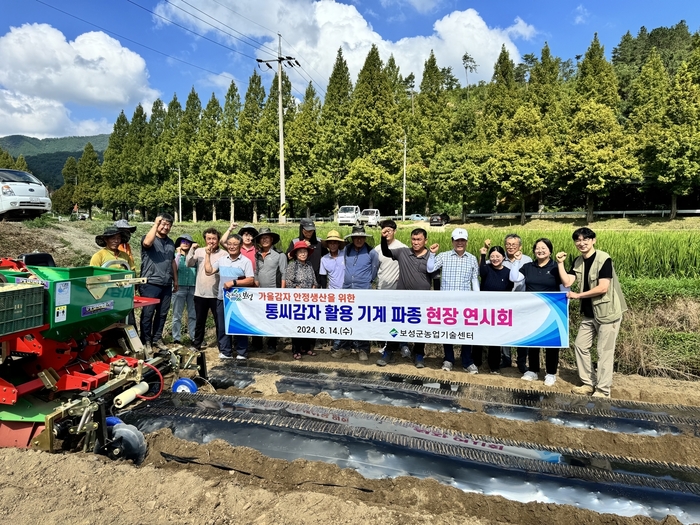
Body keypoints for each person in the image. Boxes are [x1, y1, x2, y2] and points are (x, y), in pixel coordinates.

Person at [556, 228, 627, 399]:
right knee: (580, 346)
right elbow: (567, 281)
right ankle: (588, 383)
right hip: (589, 314)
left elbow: (603, 287)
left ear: (593, 240)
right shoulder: (578, 261)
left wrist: (578, 295)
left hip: (607, 313)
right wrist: (560, 263)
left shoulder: (604, 259)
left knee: (604, 351)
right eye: (578, 240)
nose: (581, 243)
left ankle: (603, 390)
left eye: (585, 239)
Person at [509, 238, 563, 386]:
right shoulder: (528, 266)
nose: (540, 250)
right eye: (537, 248)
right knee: (534, 340)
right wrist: (516, 261)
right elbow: (514, 277)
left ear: (550, 251)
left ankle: (551, 373)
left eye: (544, 248)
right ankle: (533, 370)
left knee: (551, 343)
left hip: (552, 309)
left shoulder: (555, 267)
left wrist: (564, 306)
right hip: (532, 310)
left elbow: (564, 287)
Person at [378, 228, 433, 368]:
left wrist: (437, 296)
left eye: (419, 239)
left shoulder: (431, 257)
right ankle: (389, 351)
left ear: (425, 240)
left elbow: (436, 277)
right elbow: (386, 252)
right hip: (401, 299)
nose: (415, 243)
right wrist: (383, 239)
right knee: (396, 325)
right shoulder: (403, 252)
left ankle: (419, 354)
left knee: (420, 328)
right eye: (413, 239)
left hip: (422, 301)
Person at [427, 228, 480, 373]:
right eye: (457, 240)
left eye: (462, 240)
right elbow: (430, 269)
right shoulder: (444, 256)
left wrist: (478, 297)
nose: (460, 243)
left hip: (466, 302)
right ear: (452, 241)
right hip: (447, 301)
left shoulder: (472, 258)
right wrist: (432, 254)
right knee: (448, 331)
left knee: (466, 331)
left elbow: (474, 280)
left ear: (466, 242)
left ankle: (467, 361)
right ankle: (449, 359)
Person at [331, 226, 378, 361]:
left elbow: (374, 272)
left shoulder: (371, 252)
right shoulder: (347, 250)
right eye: (356, 237)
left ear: (365, 238)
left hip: (363, 291)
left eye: (361, 237)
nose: (358, 239)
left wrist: (364, 281)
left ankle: (363, 349)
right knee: (346, 319)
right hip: (347, 290)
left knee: (362, 320)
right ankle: (345, 348)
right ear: (352, 238)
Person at [204, 234, 254, 360]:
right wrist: (207, 255)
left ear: (241, 246)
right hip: (222, 298)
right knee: (222, 325)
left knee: (239, 325)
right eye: (229, 244)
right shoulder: (222, 260)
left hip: (238, 300)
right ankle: (226, 351)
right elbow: (208, 271)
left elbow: (250, 280)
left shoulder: (245, 261)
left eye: (235, 244)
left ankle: (242, 352)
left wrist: (234, 282)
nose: (232, 247)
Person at [286, 218, 327, 350]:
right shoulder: (295, 242)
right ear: (302, 230)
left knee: (313, 315)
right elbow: (288, 256)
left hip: (315, 282)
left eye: (311, 230)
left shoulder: (320, 242)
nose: (309, 232)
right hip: (298, 289)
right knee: (299, 317)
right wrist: (302, 246)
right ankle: (298, 347)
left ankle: (312, 343)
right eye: (306, 230)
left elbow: (329, 254)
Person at [139, 214, 177, 352]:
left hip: (166, 283)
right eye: (163, 224)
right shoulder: (149, 237)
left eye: (168, 225)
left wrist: (175, 280)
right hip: (150, 282)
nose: (166, 227)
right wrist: (155, 224)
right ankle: (146, 340)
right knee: (148, 313)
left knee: (162, 313)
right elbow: (147, 244)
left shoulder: (171, 242)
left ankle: (157, 338)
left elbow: (172, 261)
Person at [186, 228, 227, 353]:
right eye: (208, 239)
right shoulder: (199, 251)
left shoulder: (223, 254)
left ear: (218, 240)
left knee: (220, 322)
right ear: (205, 239)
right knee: (200, 321)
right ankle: (196, 344)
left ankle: (222, 347)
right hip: (200, 293)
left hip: (217, 294)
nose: (211, 241)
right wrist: (192, 249)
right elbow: (188, 263)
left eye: (214, 239)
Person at [374, 220, 408, 358]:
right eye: (384, 230)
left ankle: (402, 344)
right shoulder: (377, 249)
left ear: (395, 231)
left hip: (397, 290)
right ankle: (388, 345)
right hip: (382, 288)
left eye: (389, 230)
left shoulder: (402, 248)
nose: (387, 233)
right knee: (386, 319)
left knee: (398, 318)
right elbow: (375, 269)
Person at [479, 244, 514, 373]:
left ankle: (494, 366)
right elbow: (481, 272)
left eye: (497, 256)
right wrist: (483, 254)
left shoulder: (508, 272)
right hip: (483, 308)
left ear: (503, 257)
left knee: (495, 339)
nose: (495, 258)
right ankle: (477, 362)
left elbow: (509, 288)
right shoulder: (486, 268)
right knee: (479, 335)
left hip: (499, 310)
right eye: (492, 256)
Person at [253, 227, 287, 354]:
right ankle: (257, 344)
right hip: (259, 293)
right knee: (257, 318)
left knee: (272, 319)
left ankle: (272, 344)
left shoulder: (280, 255)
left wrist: (282, 292)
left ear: (272, 239)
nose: (265, 240)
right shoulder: (256, 255)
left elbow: (284, 273)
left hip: (274, 293)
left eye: (267, 237)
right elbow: (256, 272)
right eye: (262, 238)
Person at [283, 240, 318, 360]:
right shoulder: (292, 266)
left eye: (305, 252)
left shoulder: (309, 265)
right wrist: (296, 288)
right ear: (296, 254)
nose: (303, 254)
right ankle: (296, 350)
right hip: (297, 300)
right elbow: (289, 282)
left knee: (308, 324)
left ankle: (307, 348)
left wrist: (314, 286)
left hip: (309, 300)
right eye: (300, 252)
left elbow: (314, 280)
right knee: (297, 325)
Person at [319, 230, 346, 353]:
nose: (333, 245)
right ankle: (337, 344)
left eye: (336, 243)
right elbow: (323, 278)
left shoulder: (345, 255)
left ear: (339, 244)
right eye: (331, 243)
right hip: (333, 294)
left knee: (348, 319)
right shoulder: (324, 259)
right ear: (328, 245)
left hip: (347, 293)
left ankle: (348, 344)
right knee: (336, 320)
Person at [171, 234, 197, 345]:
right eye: (183, 241)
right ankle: (176, 338)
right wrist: (178, 253)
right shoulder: (175, 255)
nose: (185, 243)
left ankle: (194, 337)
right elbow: (174, 267)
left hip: (193, 287)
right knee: (177, 314)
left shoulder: (195, 256)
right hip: (179, 287)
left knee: (193, 314)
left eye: (188, 242)